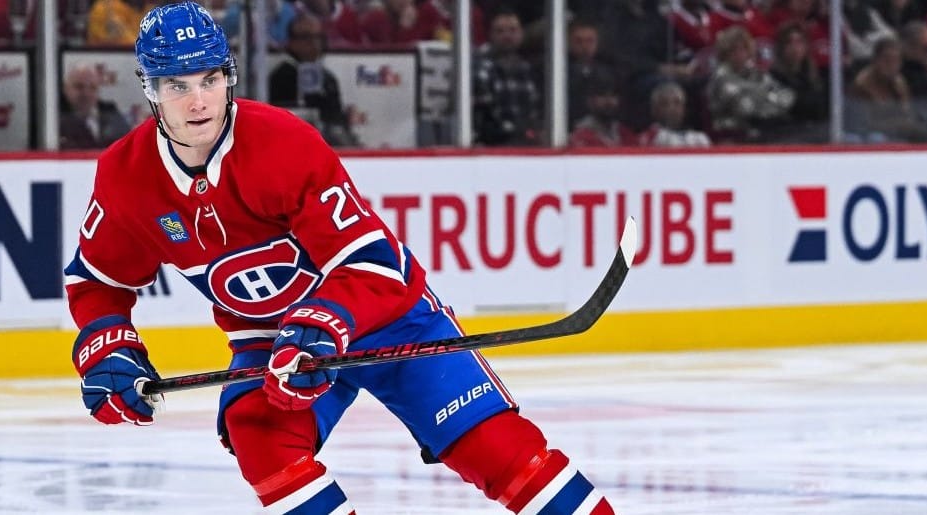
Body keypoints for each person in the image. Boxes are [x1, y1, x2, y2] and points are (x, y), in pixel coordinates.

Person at [63, 3, 616, 514]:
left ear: (229, 75)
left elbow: (373, 259)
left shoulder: (283, 143)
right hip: (269, 337)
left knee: (498, 451)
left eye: (210, 79)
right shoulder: (125, 176)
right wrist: (109, 344)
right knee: (259, 433)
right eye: (177, 85)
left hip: (386, 316)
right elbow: (97, 280)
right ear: (149, 89)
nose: (198, 101)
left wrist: (322, 323)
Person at [268, 13, 359, 147]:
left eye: (318, 37)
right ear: (291, 42)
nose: (314, 43)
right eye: (306, 37)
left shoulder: (328, 78)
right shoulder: (281, 77)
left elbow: (335, 119)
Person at [472, 7, 541, 146]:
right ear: (490, 34)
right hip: (491, 146)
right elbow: (481, 115)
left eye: (513, 30)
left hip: (526, 144)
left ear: (521, 33)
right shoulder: (479, 67)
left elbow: (536, 112)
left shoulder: (530, 68)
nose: (507, 36)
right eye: (500, 31)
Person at [59, 63, 132, 149]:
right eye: (79, 87)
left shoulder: (112, 115)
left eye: (93, 87)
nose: (86, 93)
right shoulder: (54, 120)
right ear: (65, 88)